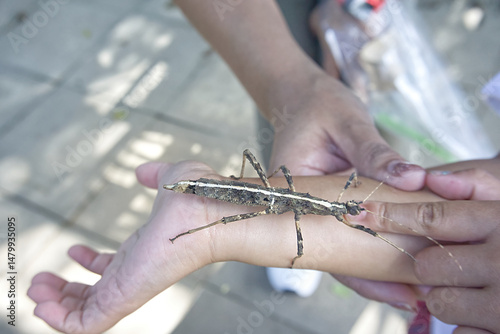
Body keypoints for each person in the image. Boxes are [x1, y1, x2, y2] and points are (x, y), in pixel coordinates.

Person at [28, 1, 500, 333]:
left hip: (275, 195)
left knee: (275, 210)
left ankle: (202, 217)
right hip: (260, 195)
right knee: (268, 210)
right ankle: (200, 217)